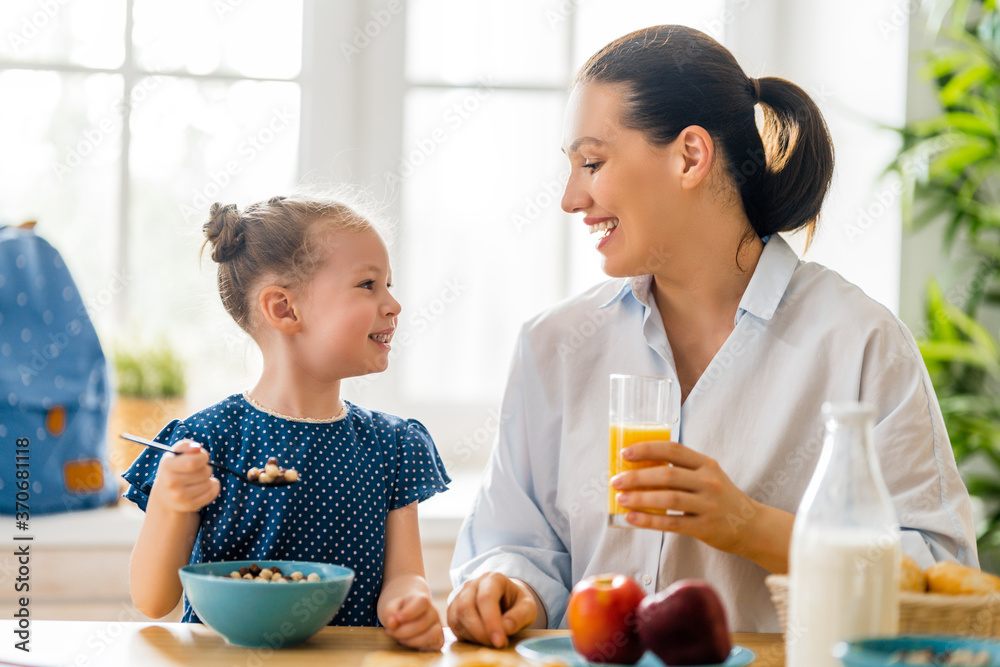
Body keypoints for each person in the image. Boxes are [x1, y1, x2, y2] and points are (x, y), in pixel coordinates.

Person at [447, 24, 978, 645]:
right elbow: (516, 544)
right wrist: (508, 588)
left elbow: (940, 571)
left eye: (592, 163)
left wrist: (749, 526)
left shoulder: (859, 341)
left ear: (691, 157)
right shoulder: (554, 345)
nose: (571, 198)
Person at [124, 194, 450, 651]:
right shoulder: (203, 443)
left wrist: (411, 604)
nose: (394, 304)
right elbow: (152, 600)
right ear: (284, 309)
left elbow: (404, 576)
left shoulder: (393, 445)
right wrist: (170, 500)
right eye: (368, 285)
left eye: (389, 285)